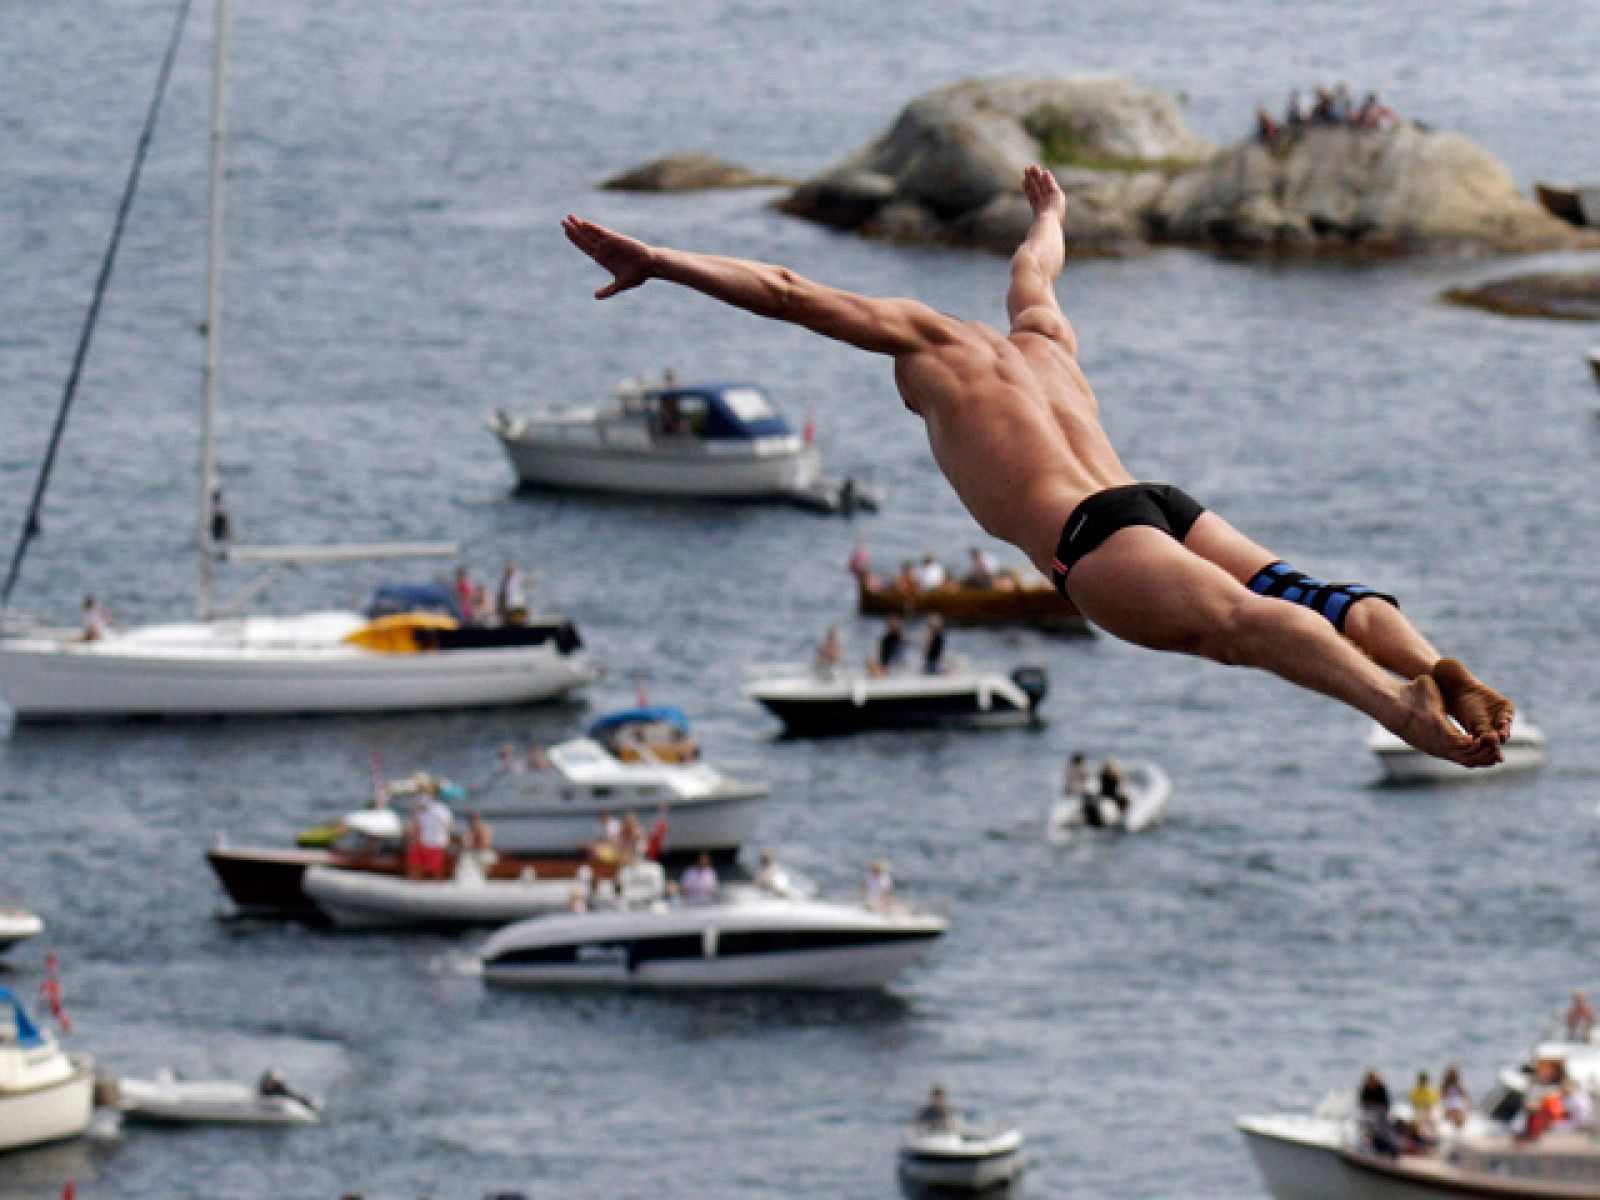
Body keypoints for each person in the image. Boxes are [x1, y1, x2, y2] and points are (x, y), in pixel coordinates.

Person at [561, 166, 1513, 771]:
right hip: (1159, 502)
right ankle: (1432, 663)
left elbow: (787, 292)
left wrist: (664, 260)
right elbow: (1038, 265)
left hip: (1090, 537)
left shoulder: (923, 344)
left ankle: (1401, 705)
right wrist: (1050, 209)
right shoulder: (1040, 338)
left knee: (1243, 626)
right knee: (1310, 594)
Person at [406, 788, 454, 880]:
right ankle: (414, 885)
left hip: (436, 844)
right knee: (414, 865)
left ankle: (437, 888)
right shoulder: (418, 812)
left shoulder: (440, 810)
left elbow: (449, 825)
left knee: (435, 870)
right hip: (422, 843)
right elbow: (415, 827)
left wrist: (442, 834)